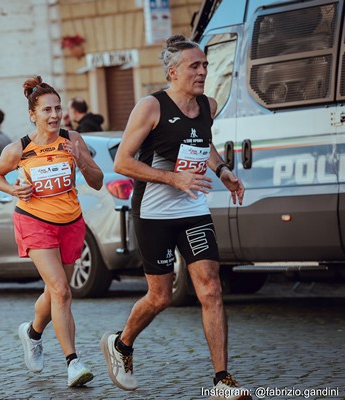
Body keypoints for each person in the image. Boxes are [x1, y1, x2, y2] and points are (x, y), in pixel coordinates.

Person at [100, 35, 249, 399]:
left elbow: (204, 143)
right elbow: (121, 162)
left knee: (211, 287)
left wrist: (223, 171)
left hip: (193, 208)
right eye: (194, 66)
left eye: (205, 66)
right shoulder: (150, 107)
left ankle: (222, 380)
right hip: (154, 212)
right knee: (160, 296)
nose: (202, 72)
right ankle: (121, 344)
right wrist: (172, 177)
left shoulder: (208, 105)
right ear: (173, 71)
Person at [0, 76, 103, 388]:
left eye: (58, 108)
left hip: (71, 223)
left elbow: (97, 180)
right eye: (47, 110)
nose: (54, 115)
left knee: (55, 291)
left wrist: (80, 158)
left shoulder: (73, 139)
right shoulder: (19, 149)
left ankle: (32, 332)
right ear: (32, 114)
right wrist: (15, 188)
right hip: (33, 221)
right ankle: (73, 363)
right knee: (62, 290)